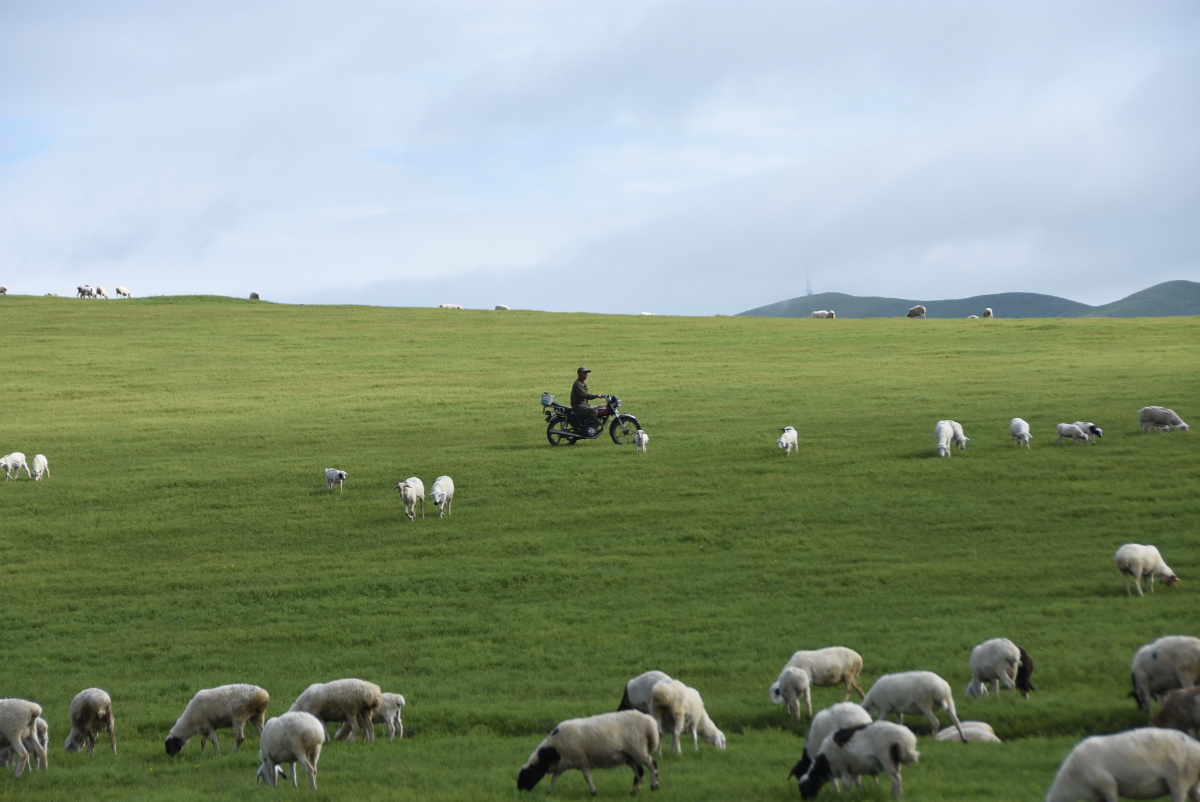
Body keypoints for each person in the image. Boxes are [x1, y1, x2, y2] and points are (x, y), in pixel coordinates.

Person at [570, 366, 602, 434]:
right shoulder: (577, 384)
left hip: (582, 404)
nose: (586, 375)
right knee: (594, 412)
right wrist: (596, 396)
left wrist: (587, 404)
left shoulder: (582, 383)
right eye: (584, 373)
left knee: (597, 409)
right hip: (578, 406)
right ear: (579, 374)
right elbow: (584, 395)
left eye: (586, 373)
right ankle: (583, 428)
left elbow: (583, 397)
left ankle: (592, 427)